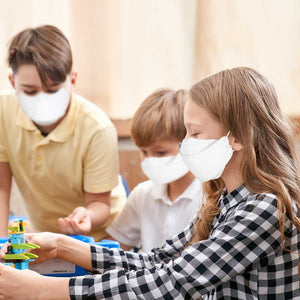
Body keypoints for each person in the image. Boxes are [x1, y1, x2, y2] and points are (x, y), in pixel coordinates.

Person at [1, 67, 300, 299]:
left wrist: (41, 290)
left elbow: (172, 283)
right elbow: (157, 261)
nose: (185, 145)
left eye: (194, 134)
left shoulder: (265, 208)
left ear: (237, 138)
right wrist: (61, 246)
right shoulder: (227, 200)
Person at [0, 25, 126, 241]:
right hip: (43, 234)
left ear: (73, 80)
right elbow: (1, 188)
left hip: (102, 237)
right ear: (13, 82)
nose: (42, 100)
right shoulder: (3, 111)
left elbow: (100, 205)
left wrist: (86, 216)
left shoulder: (97, 128)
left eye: (52, 90)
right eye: (30, 91)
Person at [106, 88, 203, 252]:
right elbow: (112, 248)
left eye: (160, 152)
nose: (150, 160)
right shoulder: (142, 194)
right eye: (144, 152)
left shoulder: (210, 198)